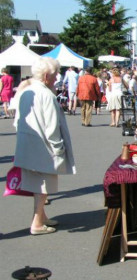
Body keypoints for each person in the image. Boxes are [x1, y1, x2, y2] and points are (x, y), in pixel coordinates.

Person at [14, 57, 76, 235]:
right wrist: (59, 149)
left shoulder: (27, 91)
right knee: (43, 186)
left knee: (37, 184)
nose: (57, 77)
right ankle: (37, 223)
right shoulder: (46, 94)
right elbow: (52, 127)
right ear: (47, 75)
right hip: (43, 146)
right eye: (56, 74)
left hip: (27, 143)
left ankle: (42, 216)